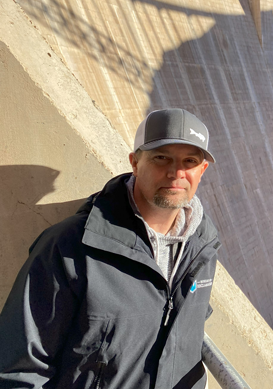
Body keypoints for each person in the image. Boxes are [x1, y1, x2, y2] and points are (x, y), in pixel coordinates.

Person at [0, 108, 220, 389]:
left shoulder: (203, 248)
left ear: (202, 170)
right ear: (135, 163)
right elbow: (19, 369)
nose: (176, 172)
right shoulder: (70, 247)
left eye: (189, 161)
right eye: (161, 157)